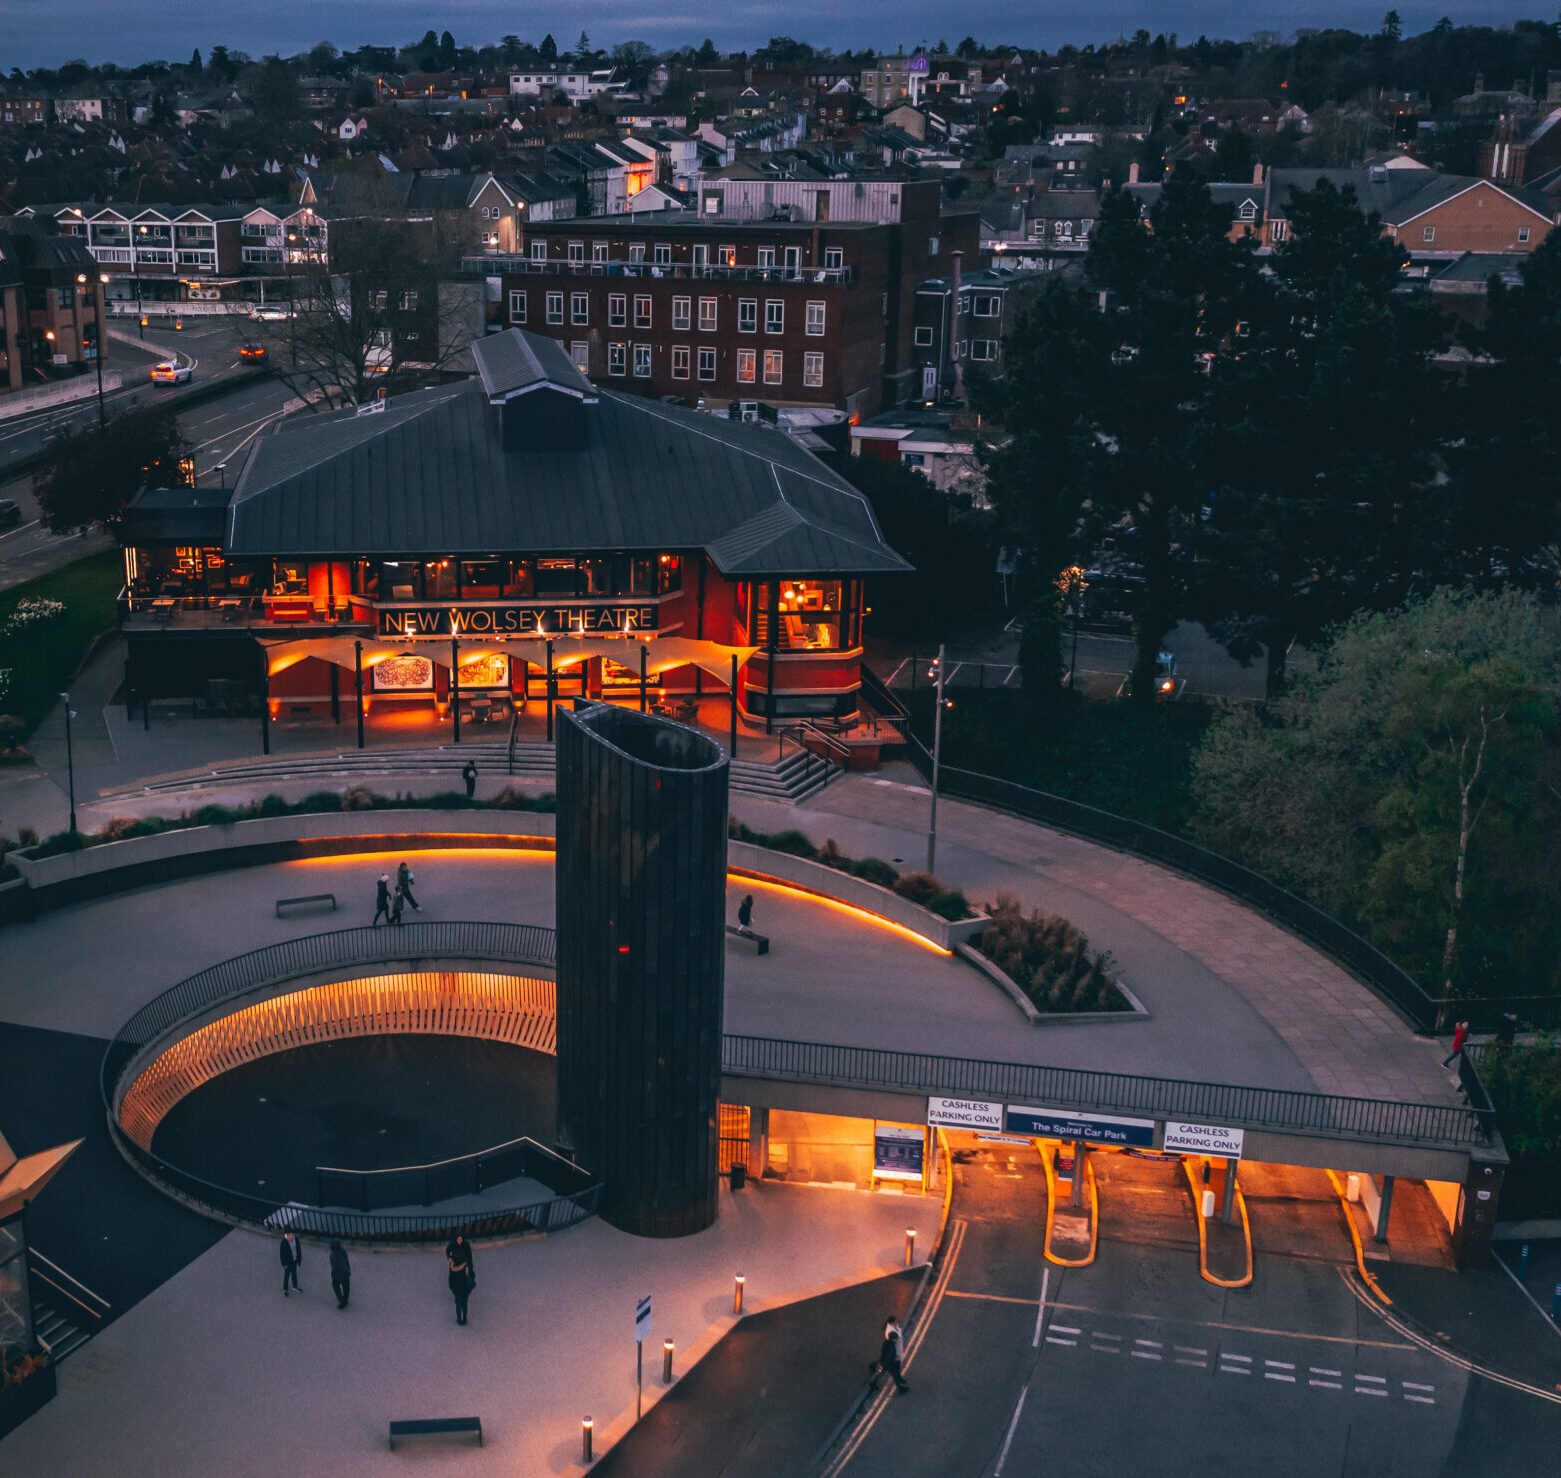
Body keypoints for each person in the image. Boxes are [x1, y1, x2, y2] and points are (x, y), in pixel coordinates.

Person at [869, 1315, 909, 1394]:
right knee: (889, 1373)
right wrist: (885, 1364)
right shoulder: (891, 1347)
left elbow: (884, 1353)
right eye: (896, 1338)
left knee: (889, 1372)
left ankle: (873, 1367)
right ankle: (900, 1388)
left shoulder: (889, 1343)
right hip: (889, 1362)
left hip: (889, 1360)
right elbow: (889, 1355)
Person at [446, 1237, 475, 1326]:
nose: (459, 1240)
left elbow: (469, 1257)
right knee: (460, 1305)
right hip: (460, 1288)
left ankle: (462, 1319)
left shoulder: (465, 1245)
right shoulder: (457, 1269)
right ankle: (461, 1319)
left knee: (461, 1304)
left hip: (460, 1288)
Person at [329, 1239, 351, 1310]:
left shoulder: (333, 1255)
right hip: (345, 1274)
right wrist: (348, 1271)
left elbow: (334, 1267)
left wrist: (334, 1274)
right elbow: (346, 1263)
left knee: (335, 1286)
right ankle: (345, 1300)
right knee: (346, 1288)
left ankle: (342, 1301)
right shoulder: (343, 1252)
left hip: (337, 1275)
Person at [279, 1231, 302, 1296]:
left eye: (292, 1235)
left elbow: (298, 1249)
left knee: (294, 1274)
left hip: (294, 1260)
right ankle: (285, 1289)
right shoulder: (284, 1242)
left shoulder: (296, 1239)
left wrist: (298, 1259)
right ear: (287, 1235)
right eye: (290, 1235)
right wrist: (284, 1265)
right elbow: (282, 1255)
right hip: (288, 1263)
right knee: (287, 1276)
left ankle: (294, 1286)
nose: (292, 1236)